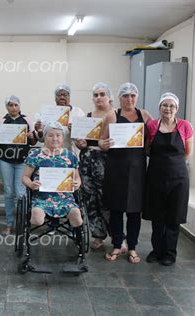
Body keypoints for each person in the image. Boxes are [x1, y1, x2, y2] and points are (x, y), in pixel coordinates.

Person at [99, 82, 153, 264]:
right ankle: (116, 244)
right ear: (119, 98)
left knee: (134, 211)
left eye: (132, 96)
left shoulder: (144, 115)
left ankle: (132, 247)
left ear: (136, 97)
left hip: (138, 171)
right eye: (125, 96)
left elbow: (151, 140)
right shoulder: (112, 115)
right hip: (116, 169)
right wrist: (103, 145)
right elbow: (101, 141)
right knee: (116, 209)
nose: (129, 99)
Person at [143, 92, 193, 266]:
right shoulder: (151, 126)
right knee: (157, 217)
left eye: (172, 106)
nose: (168, 109)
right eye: (164, 105)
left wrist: (173, 165)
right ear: (159, 107)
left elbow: (187, 152)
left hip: (178, 178)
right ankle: (156, 251)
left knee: (174, 216)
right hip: (155, 176)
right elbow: (147, 148)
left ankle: (169, 253)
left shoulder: (185, 126)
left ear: (176, 109)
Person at [22, 122, 83, 233]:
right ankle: (38, 213)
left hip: (65, 197)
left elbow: (77, 178)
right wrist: (31, 184)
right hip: (41, 197)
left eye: (58, 135)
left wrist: (77, 183)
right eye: (50, 135)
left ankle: (73, 214)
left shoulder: (70, 155)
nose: (54, 139)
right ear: (44, 137)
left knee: (77, 219)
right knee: (37, 219)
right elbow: (25, 177)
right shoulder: (35, 155)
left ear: (62, 137)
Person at [75, 83, 114, 250]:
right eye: (96, 94)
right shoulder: (88, 117)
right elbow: (80, 142)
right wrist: (80, 143)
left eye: (102, 94)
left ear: (109, 96)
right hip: (87, 162)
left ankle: (117, 236)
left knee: (108, 199)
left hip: (107, 163)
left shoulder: (116, 116)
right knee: (90, 199)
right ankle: (98, 235)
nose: (98, 97)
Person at [0, 95, 37, 235]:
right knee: (8, 192)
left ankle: (22, 222)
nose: (13, 108)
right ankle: (9, 223)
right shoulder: (2, 121)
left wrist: (32, 136)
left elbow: (33, 142)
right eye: (10, 105)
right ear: (6, 107)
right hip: (5, 160)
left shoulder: (26, 120)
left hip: (22, 161)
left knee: (20, 193)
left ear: (19, 106)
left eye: (16, 105)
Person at [35, 84, 85, 154]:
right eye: (59, 95)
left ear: (69, 97)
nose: (62, 97)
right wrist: (40, 132)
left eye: (65, 95)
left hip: (69, 153)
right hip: (50, 154)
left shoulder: (78, 112)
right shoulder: (48, 113)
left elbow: (83, 138)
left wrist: (75, 131)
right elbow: (42, 140)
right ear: (55, 98)